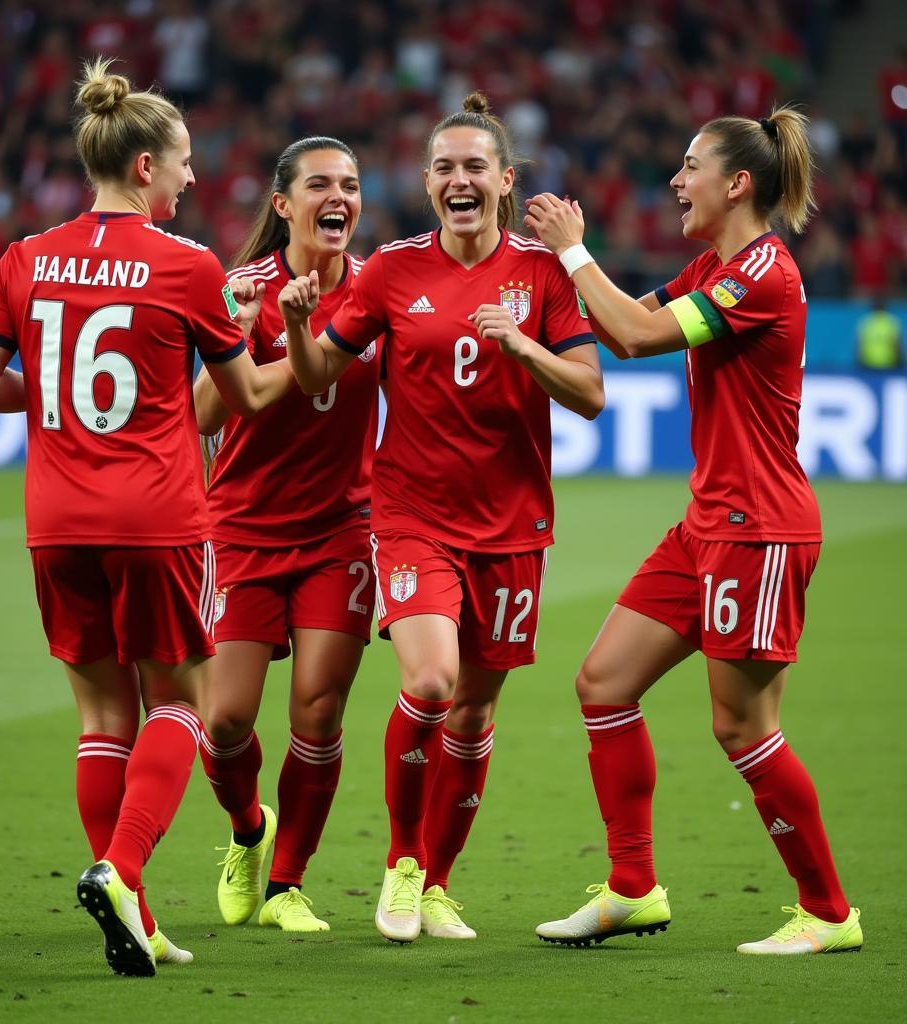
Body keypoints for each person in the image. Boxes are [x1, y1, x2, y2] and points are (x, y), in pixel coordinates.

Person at [0, 57, 292, 977]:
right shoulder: (187, 266)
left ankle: (135, 916)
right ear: (145, 166)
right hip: (156, 516)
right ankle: (123, 868)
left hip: (55, 518)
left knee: (102, 716)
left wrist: (61, 402)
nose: (191, 176)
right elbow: (248, 395)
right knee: (179, 701)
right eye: (183, 162)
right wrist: (311, 337)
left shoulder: (23, 257)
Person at [525, 106, 863, 955]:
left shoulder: (762, 275)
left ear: (736, 183)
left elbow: (636, 333)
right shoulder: (714, 265)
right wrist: (533, 271)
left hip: (761, 531)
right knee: (602, 683)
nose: (676, 181)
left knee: (742, 727)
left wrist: (573, 250)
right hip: (706, 525)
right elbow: (624, 329)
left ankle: (828, 912)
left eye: (689, 167)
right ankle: (632, 889)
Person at [279, 93, 604, 943]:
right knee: (430, 684)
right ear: (428, 183)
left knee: (474, 714)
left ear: (504, 179)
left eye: (475, 167)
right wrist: (291, 325)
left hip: (514, 525)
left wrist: (524, 348)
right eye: (445, 168)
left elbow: (592, 396)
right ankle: (402, 864)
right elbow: (319, 373)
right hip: (413, 515)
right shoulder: (392, 269)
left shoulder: (541, 275)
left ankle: (440, 884)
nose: (460, 180)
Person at [191, 136, 380, 933]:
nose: (337, 197)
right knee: (226, 720)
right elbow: (202, 413)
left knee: (317, 710)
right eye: (319, 185)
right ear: (282, 204)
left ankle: (286, 886)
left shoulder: (382, 289)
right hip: (239, 528)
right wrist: (236, 332)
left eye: (350, 185)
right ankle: (247, 832)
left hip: (342, 528)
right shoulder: (242, 290)